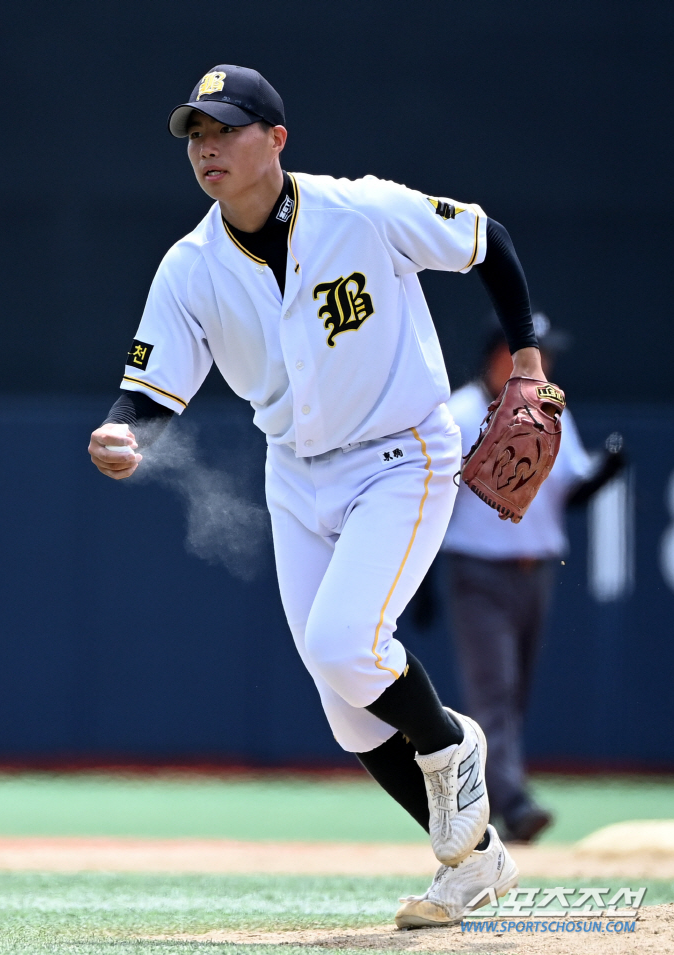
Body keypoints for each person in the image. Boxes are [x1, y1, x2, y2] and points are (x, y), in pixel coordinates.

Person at [87, 63, 551, 926]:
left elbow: (487, 240)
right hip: (295, 473)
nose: (207, 148)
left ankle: (453, 746)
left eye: (225, 129)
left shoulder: (361, 211)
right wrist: (123, 430)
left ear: (277, 140)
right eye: (196, 133)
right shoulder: (191, 266)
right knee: (347, 711)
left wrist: (523, 357)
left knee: (346, 642)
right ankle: (476, 863)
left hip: (400, 455)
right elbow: (148, 388)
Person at [415, 313, 625, 844]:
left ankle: (487, 800)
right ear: (499, 356)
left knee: (515, 693)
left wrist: (604, 474)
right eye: (535, 350)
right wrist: (421, 578)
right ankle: (513, 801)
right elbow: (430, 501)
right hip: (478, 572)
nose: (545, 361)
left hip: (534, 575)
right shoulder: (463, 413)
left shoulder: (550, 409)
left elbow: (569, 490)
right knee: (495, 692)